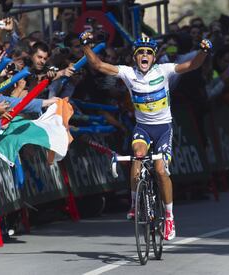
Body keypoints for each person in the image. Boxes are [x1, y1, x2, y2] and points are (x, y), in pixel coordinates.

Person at [79, 33, 212, 241]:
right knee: (138, 156)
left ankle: (169, 217)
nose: (144, 56)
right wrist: (86, 46)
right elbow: (98, 65)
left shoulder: (164, 70)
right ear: (134, 57)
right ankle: (134, 204)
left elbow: (192, 65)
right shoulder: (128, 73)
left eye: (148, 53)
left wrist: (204, 52)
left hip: (163, 130)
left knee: (160, 170)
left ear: (153, 57)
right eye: (140, 53)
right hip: (142, 128)